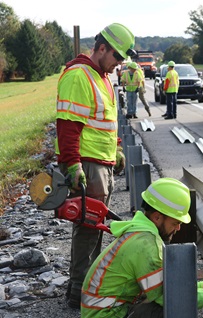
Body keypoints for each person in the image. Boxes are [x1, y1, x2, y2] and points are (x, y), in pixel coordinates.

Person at [55, 23, 135, 308]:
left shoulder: (102, 77)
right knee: (88, 228)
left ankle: (88, 285)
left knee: (95, 226)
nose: (118, 64)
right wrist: (73, 165)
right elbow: (68, 126)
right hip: (88, 165)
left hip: (102, 165)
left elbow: (107, 124)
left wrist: (117, 151)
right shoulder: (79, 75)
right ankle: (79, 291)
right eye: (116, 57)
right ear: (102, 48)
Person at [81, 178, 203, 317]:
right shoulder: (146, 246)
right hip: (107, 315)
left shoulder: (139, 233)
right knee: (172, 309)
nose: (178, 228)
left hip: (105, 311)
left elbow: (162, 285)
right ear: (157, 217)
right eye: (175, 223)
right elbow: (169, 296)